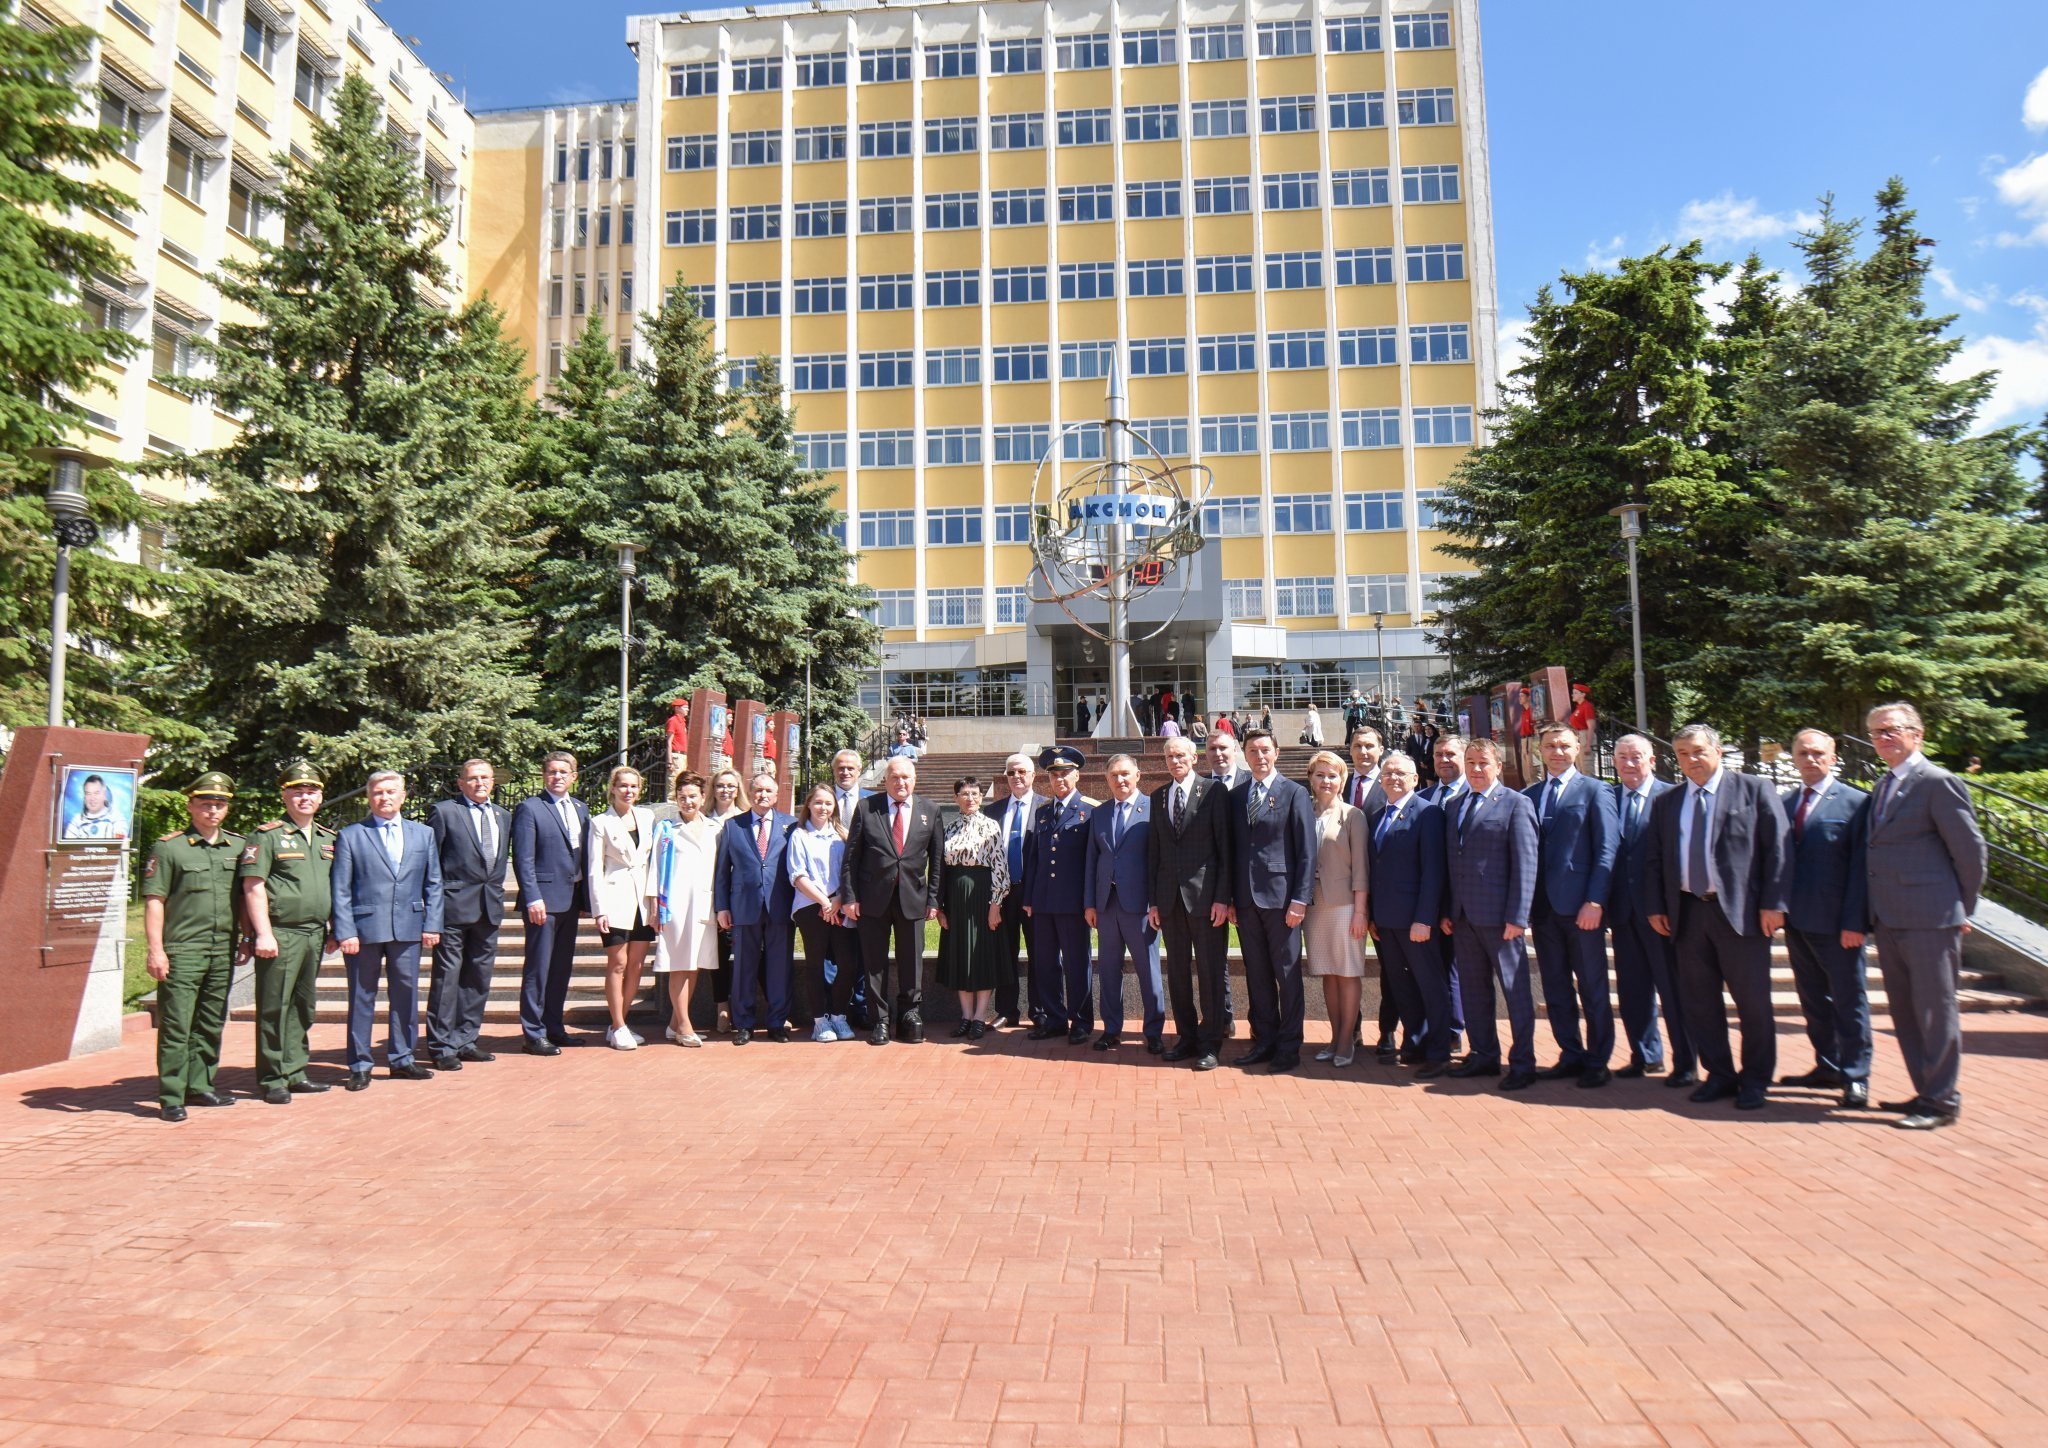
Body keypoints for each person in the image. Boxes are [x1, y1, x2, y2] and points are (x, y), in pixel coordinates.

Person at [1642, 724, 1792, 1113]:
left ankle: (1756, 1079)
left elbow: (1777, 849)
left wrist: (1774, 903)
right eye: (1681, 754)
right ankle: (1719, 1074)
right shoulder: (1668, 801)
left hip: (1742, 915)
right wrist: (1657, 906)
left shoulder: (1754, 790)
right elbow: (1656, 858)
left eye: (1696, 751)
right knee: (1700, 1002)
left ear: (1718, 750)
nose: (1690, 760)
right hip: (1688, 913)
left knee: (1753, 1003)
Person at [1863, 702, 1988, 1131]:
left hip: (1932, 919)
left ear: (1917, 734)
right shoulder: (1884, 785)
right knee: (1906, 1013)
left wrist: (1961, 908)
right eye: (1878, 732)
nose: (1884, 738)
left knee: (1935, 1011)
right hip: (1891, 920)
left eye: (1893, 730)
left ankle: (1942, 1100)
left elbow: (1970, 853)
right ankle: (1926, 1091)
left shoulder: (1937, 782)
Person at [331, 770, 444, 1091]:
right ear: (369, 797)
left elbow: (434, 883)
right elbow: (340, 888)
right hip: (364, 931)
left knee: (406, 997)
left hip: (409, 928)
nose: (385, 797)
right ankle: (360, 1064)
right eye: (378, 792)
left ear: (403, 796)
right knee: (361, 996)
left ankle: (402, 1058)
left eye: (391, 792)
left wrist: (433, 923)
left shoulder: (422, 834)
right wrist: (345, 931)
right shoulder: (352, 835)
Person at [143, 772, 247, 1121]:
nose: (213, 810)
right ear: (190, 805)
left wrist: (246, 937)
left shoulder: (237, 846)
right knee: (176, 1024)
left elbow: (245, 897)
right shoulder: (169, 847)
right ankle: (172, 1094)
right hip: (183, 949)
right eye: (205, 804)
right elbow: (155, 900)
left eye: (219, 804)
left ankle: (200, 1085)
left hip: (222, 949)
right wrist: (156, 950)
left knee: (210, 1021)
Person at [1778, 729, 1873, 1108]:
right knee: (1813, 1000)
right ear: (1794, 758)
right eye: (1803, 753)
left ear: (1833, 757)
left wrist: (1856, 922)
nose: (1810, 759)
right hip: (1798, 922)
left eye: (1819, 753)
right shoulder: (1785, 803)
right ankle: (1828, 1065)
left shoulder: (1855, 803)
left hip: (1839, 925)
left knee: (1849, 1002)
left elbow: (1862, 870)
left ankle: (1856, 1076)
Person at [1523, 724, 1621, 1088]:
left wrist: (1596, 900)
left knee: (1593, 987)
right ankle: (1570, 1053)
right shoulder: (1530, 795)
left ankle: (1598, 1059)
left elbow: (1608, 849)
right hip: (1544, 910)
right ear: (1539, 750)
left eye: (1564, 745)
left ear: (1577, 748)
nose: (1557, 752)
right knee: (1556, 986)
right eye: (1550, 746)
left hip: (1583, 909)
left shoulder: (1597, 790)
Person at [1441, 738, 1540, 1091]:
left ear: (1497, 765)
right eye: (1470, 763)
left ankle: (1524, 1062)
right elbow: (1453, 863)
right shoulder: (1454, 806)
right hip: (1464, 917)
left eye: (1483, 763)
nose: (1476, 769)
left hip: (1501, 919)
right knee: (1473, 990)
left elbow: (1526, 862)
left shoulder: (1516, 804)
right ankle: (1484, 1055)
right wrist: (1448, 910)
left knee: (1515, 992)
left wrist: (1519, 915)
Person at [239, 759, 338, 1104]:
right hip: (280, 934)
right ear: (285, 796)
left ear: (321, 797)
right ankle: (272, 1077)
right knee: (274, 1006)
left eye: (311, 791)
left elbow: (334, 887)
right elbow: (253, 886)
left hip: (314, 933)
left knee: (302, 1005)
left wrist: (333, 928)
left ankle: (295, 1071)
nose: (305, 797)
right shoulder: (267, 837)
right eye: (298, 792)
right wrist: (262, 933)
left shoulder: (328, 838)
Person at [1228, 730, 1317, 1074]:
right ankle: (1264, 1039)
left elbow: (1307, 851)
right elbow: (1235, 852)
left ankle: (1289, 1045)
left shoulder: (1295, 793)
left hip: (1283, 902)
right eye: (1252, 751)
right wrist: (1233, 898)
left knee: (1287, 975)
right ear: (1245, 756)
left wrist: (1300, 899)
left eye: (1265, 750)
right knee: (1258, 974)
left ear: (1276, 753)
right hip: (1247, 902)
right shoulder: (1236, 797)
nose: (1259, 756)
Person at [1607, 735, 1694, 1085]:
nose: (1629, 763)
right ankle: (1645, 1055)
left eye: (1637, 756)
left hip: (1662, 914)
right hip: (1623, 913)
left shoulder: (1673, 797)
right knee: (1633, 990)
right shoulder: (1608, 798)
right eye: (1622, 757)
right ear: (1613, 762)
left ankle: (1686, 1061)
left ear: (1653, 760)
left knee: (1673, 990)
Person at [838, 756, 943, 1044]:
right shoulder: (867, 807)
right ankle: (880, 1020)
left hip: (914, 899)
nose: (901, 783)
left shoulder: (930, 810)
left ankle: (910, 1015)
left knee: (912, 961)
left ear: (915, 780)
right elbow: (851, 858)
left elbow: (936, 861)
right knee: (874, 964)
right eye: (895, 777)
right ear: (885, 780)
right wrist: (850, 896)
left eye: (906, 777)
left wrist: (933, 898)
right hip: (872, 900)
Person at [1148, 736, 1233, 1070]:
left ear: (1194, 758)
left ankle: (1210, 1042)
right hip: (1169, 901)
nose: (1174, 760)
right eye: (1169, 756)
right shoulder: (1159, 797)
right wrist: (1153, 901)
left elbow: (1224, 849)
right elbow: (1154, 853)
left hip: (1205, 899)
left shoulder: (1214, 793)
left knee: (1210, 971)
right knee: (1178, 973)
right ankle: (1186, 1037)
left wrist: (1222, 898)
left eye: (1180, 755)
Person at [1364, 754, 1451, 1075]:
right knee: (1401, 987)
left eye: (1401, 773)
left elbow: (1433, 872)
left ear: (1415, 779)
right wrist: (1373, 915)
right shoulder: (1376, 816)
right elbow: (1376, 870)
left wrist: (1425, 918)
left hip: (1416, 921)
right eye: (1387, 773)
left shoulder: (1428, 814)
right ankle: (1414, 1043)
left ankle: (1439, 1051)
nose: (1393, 778)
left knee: (1430, 985)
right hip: (1385, 922)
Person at [425, 758, 510, 1072]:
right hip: (453, 907)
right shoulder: (445, 811)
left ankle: (466, 1039)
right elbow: (431, 863)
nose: (480, 783)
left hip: (489, 907)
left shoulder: (503, 815)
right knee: (447, 978)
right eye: (473, 778)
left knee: (478, 977)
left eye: (486, 778)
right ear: (460, 783)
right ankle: (441, 1045)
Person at [511, 752, 591, 1055]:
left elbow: (583, 858)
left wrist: (584, 899)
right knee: (538, 969)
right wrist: (532, 897)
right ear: (544, 776)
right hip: (542, 902)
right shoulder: (530, 808)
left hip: (570, 901)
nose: (558, 777)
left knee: (561, 968)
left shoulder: (581, 809)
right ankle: (533, 1033)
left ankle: (554, 1027)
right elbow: (523, 858)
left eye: (564, 772)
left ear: (574, 776)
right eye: (552, 772)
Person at [1084, 754, 1164, 1053]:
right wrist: (1090, 903)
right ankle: (1111, 1029)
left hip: (1141, 906)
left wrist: (1156, 903)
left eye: (1125, 774)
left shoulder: (1153, 809)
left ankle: (1154, 1031)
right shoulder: (1100, 813)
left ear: (1138, 775)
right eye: (1114, 775)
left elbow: (1159, 862)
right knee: (1108, 969)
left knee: (1148, 970)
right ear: (1107, 779)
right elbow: (1093, 860)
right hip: (1106, 905)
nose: (1120, 780)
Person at [714, 771, 798, 1045]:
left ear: (777, 796)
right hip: (744, 907)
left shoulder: (792, 825)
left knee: (779, 966)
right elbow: (723, 871)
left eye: (768, 791)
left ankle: (776, 1022)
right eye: (758, 791)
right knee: (743, 968)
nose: (763, 795)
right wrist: (722, 906)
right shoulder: (733, 826)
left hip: (780, 906)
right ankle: (744, 1024)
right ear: (749, 794)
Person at [1019, 745, 1095, 1043]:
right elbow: (1036, 859)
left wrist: (1090, 902)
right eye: (1054, 775)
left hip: (1073, 904)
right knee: (1045, 963)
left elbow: (1092, 862)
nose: (1059, 779)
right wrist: (1028, 898)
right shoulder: (1042, 813)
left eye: (1065, 774)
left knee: (1077, 964)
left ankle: (1081, 1021)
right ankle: (1054, 1019)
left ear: (1077, 775)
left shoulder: (1090, 810)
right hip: (1043, 902)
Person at [1302, 749, 1369, 1066]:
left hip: (1344, 906)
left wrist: (1360, 911)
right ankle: (1333, 1036)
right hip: (1315, 907)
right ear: (1311, 778)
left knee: (1348, 972)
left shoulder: (1352, 815)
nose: (1326, 780)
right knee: (1328, 973)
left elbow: (1361, 869)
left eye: (1332, 775)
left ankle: (1346, 1041)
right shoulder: (1305, 812)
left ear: (1342, 779)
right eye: (1320, 774)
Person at [588, 766, 657, 1050]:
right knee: (618, 963)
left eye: (634, 786)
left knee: (637, 965)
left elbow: (653, 861)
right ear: (613, 788)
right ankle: (617, 1025)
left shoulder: (647, 816)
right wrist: (598, 908)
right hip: (615, 896)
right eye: (623, 786)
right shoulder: (599, 822)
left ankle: (620, 1023)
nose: (629, 791)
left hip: (642, 898)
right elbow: (594, 867)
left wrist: (655, 901)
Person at [648, 771, 719, 1045]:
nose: (687, 802)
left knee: (695, 965)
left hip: (704, 904)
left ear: (702, 798)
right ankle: (685, 1027)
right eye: (682, 797)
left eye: (692, 797)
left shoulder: (715, 828)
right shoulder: (667, 829)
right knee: (679, 964)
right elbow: (655, 868)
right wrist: (654, 903)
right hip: (676, 905)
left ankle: (674, 1022)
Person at [936, 777, 1009, 1040]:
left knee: (981, 955)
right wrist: (940, 907)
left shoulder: (991, 827)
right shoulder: (949, 827)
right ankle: (966, 1016)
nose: (970, 798)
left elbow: (1000, 868)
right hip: (955, 900)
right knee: (961, 957)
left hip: (981, 897)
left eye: (975, 794)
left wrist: (995, 905)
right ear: (956, 797)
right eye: (964, 794)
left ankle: (980, 1016)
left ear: (981, 797)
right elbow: (940, 870)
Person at [786, 782, 858, 1042]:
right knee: (815, 965)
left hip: (840, 907)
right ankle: (819, 1021)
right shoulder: (799, 835)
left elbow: (850, 871)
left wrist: (838, 900)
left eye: (828, 803)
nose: (823, 808)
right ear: (808, 804)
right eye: (818, 802)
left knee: (847, 964)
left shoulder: (841, 835)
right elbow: (798, 874)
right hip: (810, 907)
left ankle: (838, 1015)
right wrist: (823, 902)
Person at [986, 753, 1042, 1030]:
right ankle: (1006, 1010)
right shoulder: (992, 812)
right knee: (1004, 953)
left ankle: (1039, 1010)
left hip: (1035, 896)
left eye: (1022, 771)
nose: (1017, 777)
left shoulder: (1047, 807)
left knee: (1039, 953)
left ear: (1033, 775)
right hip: (1003, 894)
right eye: (1011, 773)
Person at [705, 767, 746, 1032]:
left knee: (750, 952)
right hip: (707, 893)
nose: (725, 790)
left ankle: (747, 1005)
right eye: (720, 785)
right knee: (717, 952)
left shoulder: (745, 818)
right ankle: (722, 1006)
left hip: (740, 895)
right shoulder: (702, 819)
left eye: (731, 785)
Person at [64, 772, 125, 839]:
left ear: (104, 795)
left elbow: (119, 844)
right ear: (85, 796)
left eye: (96, 793)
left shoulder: (116, 817)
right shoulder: (77, 820)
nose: (92, 798)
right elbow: (68, 846)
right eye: (88, 793)